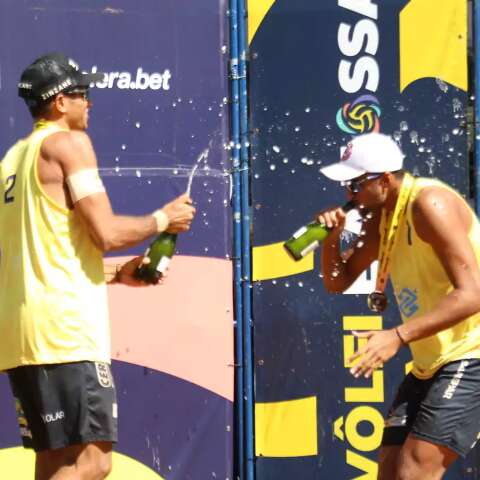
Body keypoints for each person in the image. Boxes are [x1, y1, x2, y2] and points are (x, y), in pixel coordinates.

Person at [0, 53, 196, 480]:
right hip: (65, 333)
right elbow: (105, 233)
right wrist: (165, 219)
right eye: (81, 94)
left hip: (24, 333)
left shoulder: (12, 161)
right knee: (91, 461)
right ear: (58, 103)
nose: (90, 103)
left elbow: (40, 253)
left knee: (54, 461)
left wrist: (112, 274)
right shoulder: (68, 144)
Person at [317, 132, 480, 480]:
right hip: (429, 362)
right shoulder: (385, 216)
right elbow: (337, 281)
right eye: (346, 184)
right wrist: (332, 238)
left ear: (386, 179)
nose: (349, 193)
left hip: (472, 354)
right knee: (390, 472)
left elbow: (473, 294)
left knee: (414, 470)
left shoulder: (428, 204)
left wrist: (397, 335)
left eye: (356, 183)